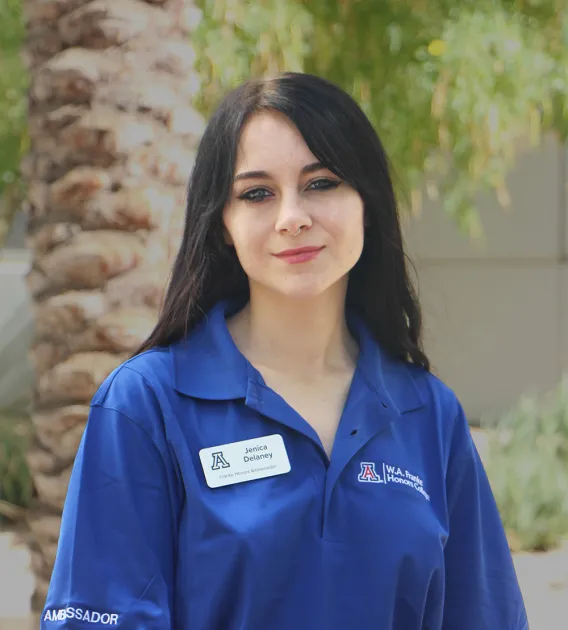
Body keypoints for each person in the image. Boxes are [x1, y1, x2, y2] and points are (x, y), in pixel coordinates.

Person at [42, 72, 528, 629]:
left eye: (321, 183)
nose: (292, 217)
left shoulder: (429, 413)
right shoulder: (146, 405)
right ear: (222, 224)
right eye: (256, 193)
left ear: (366, 201)